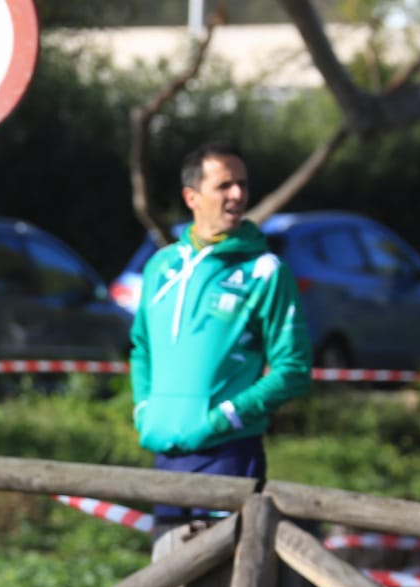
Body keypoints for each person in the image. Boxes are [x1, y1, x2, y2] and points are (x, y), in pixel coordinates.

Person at [130, 141, 312, 521]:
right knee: (167, 577)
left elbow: (292, 370)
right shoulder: (160, 267)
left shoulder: (264, 271)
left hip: (229, 455)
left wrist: (226, 416)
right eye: (225, 185)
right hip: (164, 452)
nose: (238, 194)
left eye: (243, 185)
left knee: (229, 579)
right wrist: (145, 409)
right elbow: (141, 349)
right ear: (191, 197)